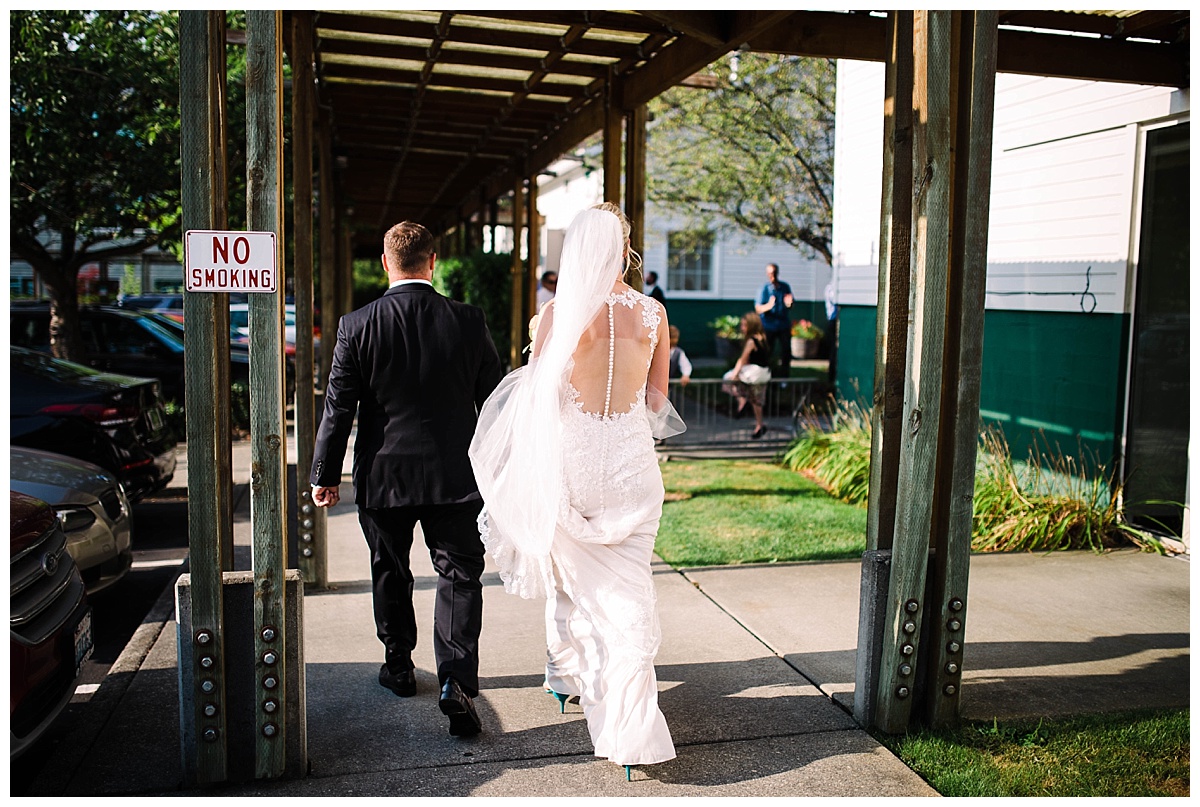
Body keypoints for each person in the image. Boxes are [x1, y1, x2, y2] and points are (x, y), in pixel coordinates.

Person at [469, 203, 686, 780]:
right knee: (630, 592)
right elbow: (657, 403)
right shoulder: (653, 313)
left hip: (576, 468)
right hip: (632, 465)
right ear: (624, 247)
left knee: (583, 594)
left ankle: (578, 683)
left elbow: (539, 400)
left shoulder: (556, 314)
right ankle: (629, 717)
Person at [310, 221, 503, 738]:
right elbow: (498, 402)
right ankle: (456, 682)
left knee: (389, 569)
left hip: (383, 475)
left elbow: (338, 409)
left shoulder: (357, 325)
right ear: (432, 261)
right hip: (455, 476)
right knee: (460, 575)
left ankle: (398, 666)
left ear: (385, 264)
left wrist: (324, 475)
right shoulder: (467, 320)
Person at [721, 312, 772, 439]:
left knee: (728, 379)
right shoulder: (763, 338)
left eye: (745, 325)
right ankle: (759, 425)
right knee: (757, 401)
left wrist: (735, 374)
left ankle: (741, 400)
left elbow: (742, 359)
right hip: (764, 373)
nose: (742, 328)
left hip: (754, 372)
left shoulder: (751, 341)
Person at [755, 262, 793, 378]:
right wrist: (769, 306)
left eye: (774, 273)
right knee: (767, 352)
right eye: (770, 273)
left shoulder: (784, 287)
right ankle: (766, 375)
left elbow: (790, 303)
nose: (772, 276)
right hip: (769, 325)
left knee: (786, 351)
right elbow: (758, 308)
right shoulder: (764, 289)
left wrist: (789, 304)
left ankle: (784, 377)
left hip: (783, 324)